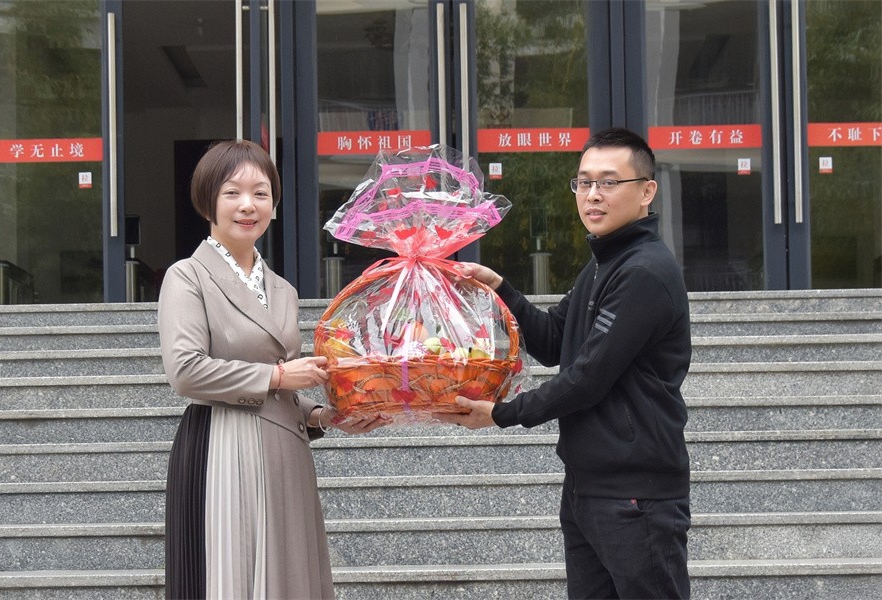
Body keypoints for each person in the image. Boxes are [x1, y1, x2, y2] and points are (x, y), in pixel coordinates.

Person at [438, 127, 692, 599]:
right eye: (584, 182)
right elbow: (556, 341)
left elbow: (587, 379)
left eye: (609, 182)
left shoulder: (644, 271)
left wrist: (502, 414)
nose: (593, 195)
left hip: (634, 493)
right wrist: (500, 289)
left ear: (646, 191)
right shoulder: (604, 263)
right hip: (588, 486)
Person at [158, 139, 389, 599]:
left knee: (288, 577)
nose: (248, 205)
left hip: (286, 449)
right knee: (233, 575)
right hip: (225, 444)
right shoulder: (187, 276)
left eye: (260, 193)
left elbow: (284, 386)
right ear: (208, 200)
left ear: (274, 204)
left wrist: (326, 416)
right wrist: (278, 377)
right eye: (232, 192)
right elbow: (185, 370)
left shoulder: (282, 289)